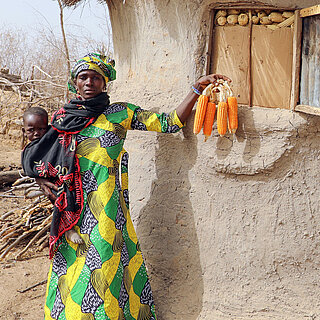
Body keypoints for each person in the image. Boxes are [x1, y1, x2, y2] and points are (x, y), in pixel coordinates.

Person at [22, 53, 230, 320]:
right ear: (75, 82)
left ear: (104, 82)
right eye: (83, 77)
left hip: (107, 207)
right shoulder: (63, 117)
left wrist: (196, 90)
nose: (89, 82)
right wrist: (40, 178)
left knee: (104, 267)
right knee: (72, 266)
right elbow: (38, 153)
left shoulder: (119, 113)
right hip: (72, 208)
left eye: (96, 78)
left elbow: (169, 123)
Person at [22, 107, 84, 245]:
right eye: (31, 130)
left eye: (41, 129)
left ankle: (69, 227)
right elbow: (28, 167)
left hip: (61, 175)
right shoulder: (29, 150)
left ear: (48, 128)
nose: (37, 133)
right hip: (50, 180)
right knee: (60, 197)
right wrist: (39, 176)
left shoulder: (52, 139)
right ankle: (68, 228)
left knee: (68, 194)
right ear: (24, 131)